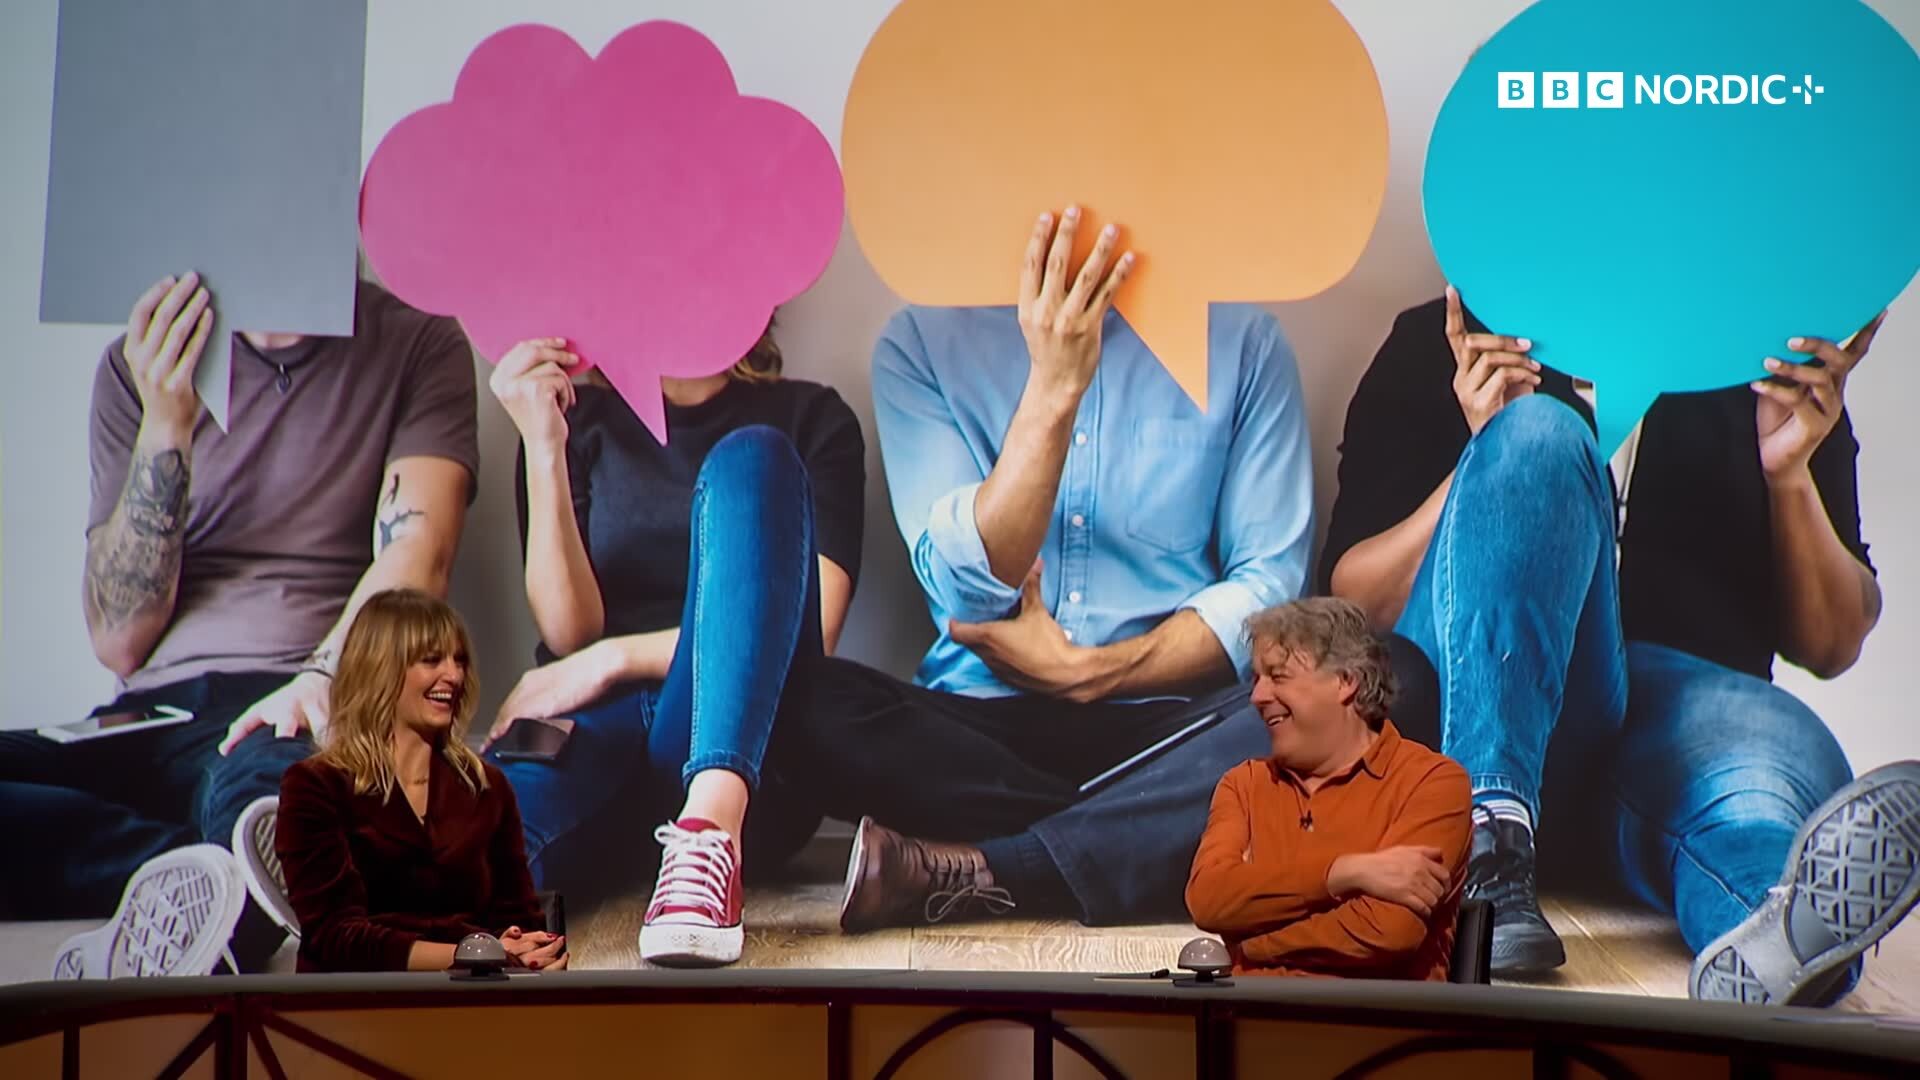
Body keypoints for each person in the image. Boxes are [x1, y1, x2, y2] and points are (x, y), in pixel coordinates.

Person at [1319, 285, 1920, 1003]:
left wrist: (1788, 475)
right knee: (1537, 436)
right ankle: (1487, 845)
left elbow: (1832, 642)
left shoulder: (1758, 364)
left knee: (1756, 792)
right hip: (1484, 710)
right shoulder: (1452, 342)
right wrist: (1486, 463)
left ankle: (1781, 935)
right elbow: (1355, 607)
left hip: (1681, 722)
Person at [785, 205, 1337, 931]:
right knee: (793, 694)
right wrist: (1054, 386)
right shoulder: (920, 342)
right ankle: (1155, 839)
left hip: (1172, 731)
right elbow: (964, 590)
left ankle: (999, 866)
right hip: (981, 730)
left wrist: (1093, 673)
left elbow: (1268, 591)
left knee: (1369, 684)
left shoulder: (1245, 343)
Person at [1, 273, 477, 977]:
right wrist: (167, 422)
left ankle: (237, 882)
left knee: (273, 799)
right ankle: (212, 880)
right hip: (149, 714)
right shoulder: (138, 363)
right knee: (263, 836)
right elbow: (119, 640)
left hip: (292, 699)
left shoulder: (417, 339)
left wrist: (321, 679)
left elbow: (419, 556)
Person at [480, 317, 865, 966]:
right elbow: (569, 630)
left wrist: (613, 659)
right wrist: (544, 443)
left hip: (742, 753)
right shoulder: (582, 420)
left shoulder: (811, 419)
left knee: (754, 458)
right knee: (479, 849)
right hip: (599, 742)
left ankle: (707, 836)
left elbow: (816, 622)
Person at [276, 589, 560, 973]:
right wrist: (475, 952)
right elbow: (335, 937)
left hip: (472, 994)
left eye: (459, 661)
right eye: (432, 660)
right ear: (381, 669)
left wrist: (532, 953)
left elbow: (519, 918)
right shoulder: (314, 786)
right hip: (358, 996)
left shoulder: (486, 787)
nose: (454, 675)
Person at [1186, 598, 1471, 980]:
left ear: (1345, 681)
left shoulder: (1433, 782)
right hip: (1251, 1013)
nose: (1257, 697)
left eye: (1278, 676)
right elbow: (1209, 899)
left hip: (1376, 1016)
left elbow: (1387, 931)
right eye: (1256, 679)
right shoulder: (1244, 785)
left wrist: (1250, 944)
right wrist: (1342, 874)